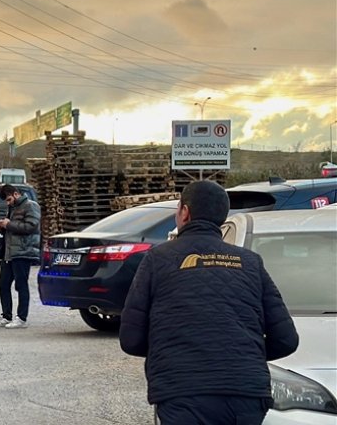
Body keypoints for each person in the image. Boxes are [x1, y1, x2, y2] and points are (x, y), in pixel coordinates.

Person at [120, 180, 298, 424]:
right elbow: (287, 340)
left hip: (182, 393)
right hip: (246, 394)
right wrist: (242, 354)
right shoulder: (250, 262)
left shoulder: (157, 260)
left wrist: (171, 352)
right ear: (223, 217)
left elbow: (131, 340)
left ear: (184, 212)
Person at [0, 184, 40, 329]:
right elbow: (11, 232)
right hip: (9, 252)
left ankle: (21, 318)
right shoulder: (12, 208)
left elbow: (31, 227)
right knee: (3, 284)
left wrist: (9, 224)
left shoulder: (31, 206)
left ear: (16, 194)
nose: (8, 202)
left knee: (21, 284)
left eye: (9, 199)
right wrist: (2, 227)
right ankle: (6, 316)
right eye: (6, 201)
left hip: (23, 252)